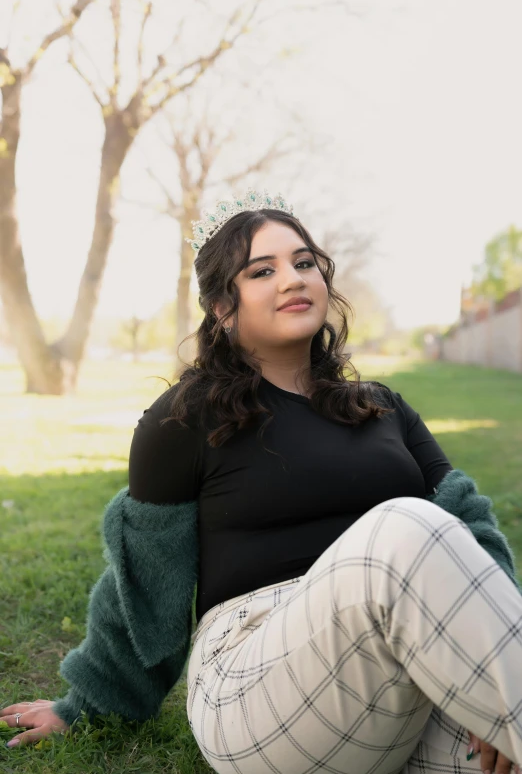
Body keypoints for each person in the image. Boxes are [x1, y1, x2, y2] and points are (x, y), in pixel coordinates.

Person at [2, 189, 521, 774]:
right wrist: (86, 706)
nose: (293, 279)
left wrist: (492, 675)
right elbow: (144, 586)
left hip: (396, 678)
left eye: (304, 263)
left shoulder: (384, 407)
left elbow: (473, 535)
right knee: (410, 523)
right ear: (224, 306)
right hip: (253, 684)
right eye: (262, 271)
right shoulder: (183, 420)